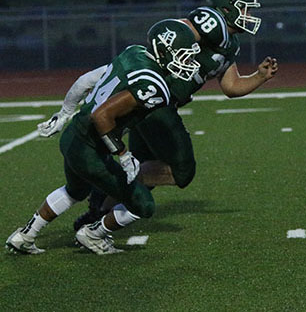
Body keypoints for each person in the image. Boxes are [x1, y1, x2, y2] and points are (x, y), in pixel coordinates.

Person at [36, 0, 279, 233]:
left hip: (155, 106)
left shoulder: (230, 43)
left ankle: (97, 214)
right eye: (245, 8)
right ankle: (107, 189)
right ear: (227, 8)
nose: (249, 15)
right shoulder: (201, 26)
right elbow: (169, 36)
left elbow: (231, 86)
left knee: (144, 165)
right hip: (155, 106)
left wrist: (259, 77)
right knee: (182, 171)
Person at [6, 19, 201, 255]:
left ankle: (25, 235)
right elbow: (101, 117)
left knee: (75, 191)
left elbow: (85, 81)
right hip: (91, 148)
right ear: (164, 51)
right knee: (143, 204)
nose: (188, 61)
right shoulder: (151, 82)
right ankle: (92, 234)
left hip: (73, 136)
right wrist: (123, 153)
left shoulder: (134, 52)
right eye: (182, 55)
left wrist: (64, 113)